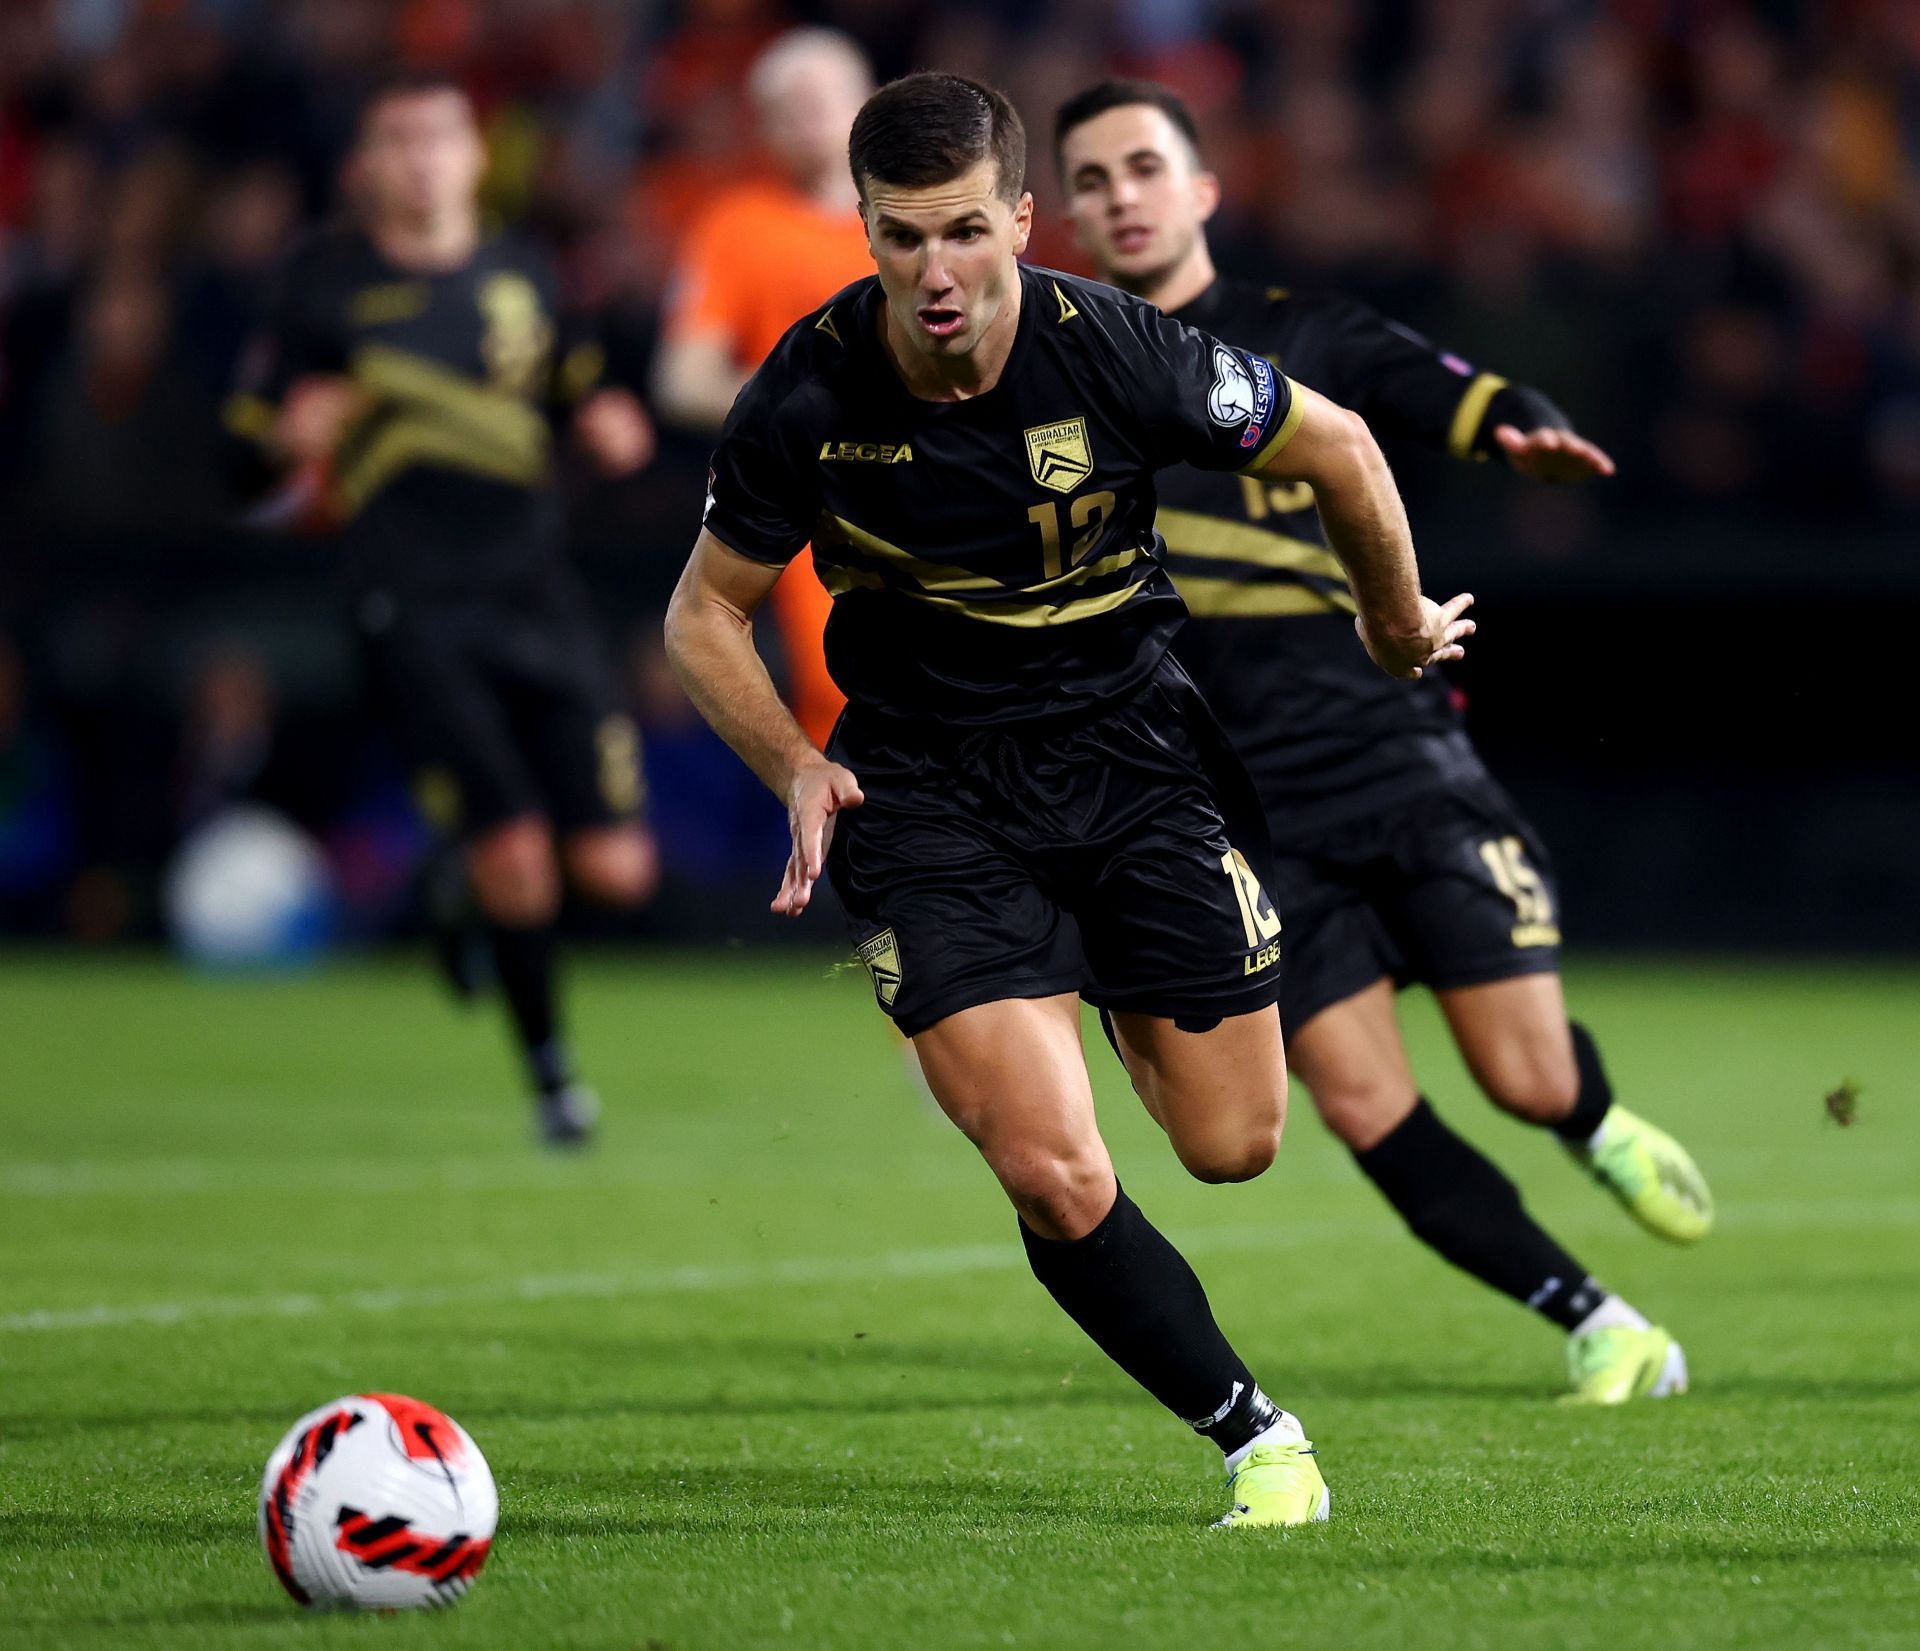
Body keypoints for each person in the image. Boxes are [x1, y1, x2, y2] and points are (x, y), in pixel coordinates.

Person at [665, 72, 1475, 1528]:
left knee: (1234, 1143)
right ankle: (1252, 1430)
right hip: (926, 795)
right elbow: (701, 617)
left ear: (1023, 222)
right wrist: (795, 759)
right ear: (862, 231)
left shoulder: (1116, 347)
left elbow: (1343, 444)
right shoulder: (804, 391)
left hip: (1137, 766)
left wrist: (1399, 620)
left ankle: (1105, 974)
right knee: (1050, 1163)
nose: (936, 273)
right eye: (902, 237)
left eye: (965, 231)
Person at [1055, 79, 1713, 1405]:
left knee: (1523, 1073)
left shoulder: (1300, 337)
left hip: (1393, 758)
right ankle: (1601, 1321)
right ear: (1063, 211)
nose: (1118, 195)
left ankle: (1587, 1116)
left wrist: (1521, 423)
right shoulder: (1072, 374)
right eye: (1089, 179)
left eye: (1141, 166)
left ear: (1202, 191)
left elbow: (1458, 395)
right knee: (1362, 1106)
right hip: (1243, 808)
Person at [229, 72, 659, 1146]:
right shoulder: (319, 288)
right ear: (364, 167)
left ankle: (452, 888)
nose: (422, 158)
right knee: (516, 845)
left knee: (616, 869)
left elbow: (580, 389)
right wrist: (283, 444)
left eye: (440, 137)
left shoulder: (526, 273)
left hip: (536, 592)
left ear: (475, 157)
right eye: (398, 139)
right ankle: (555, 1082)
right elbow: (235, 458)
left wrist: (610, 424)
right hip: (408, 602)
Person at [652, 27, 875, 753]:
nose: (805, 118)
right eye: (784, 106)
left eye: (821, 99)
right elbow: (683, 378)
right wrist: (809, 408)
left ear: (865, 102)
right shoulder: (737, 226)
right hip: (820, 500)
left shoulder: (917, 216)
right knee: (843, 692)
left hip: (950, 474)